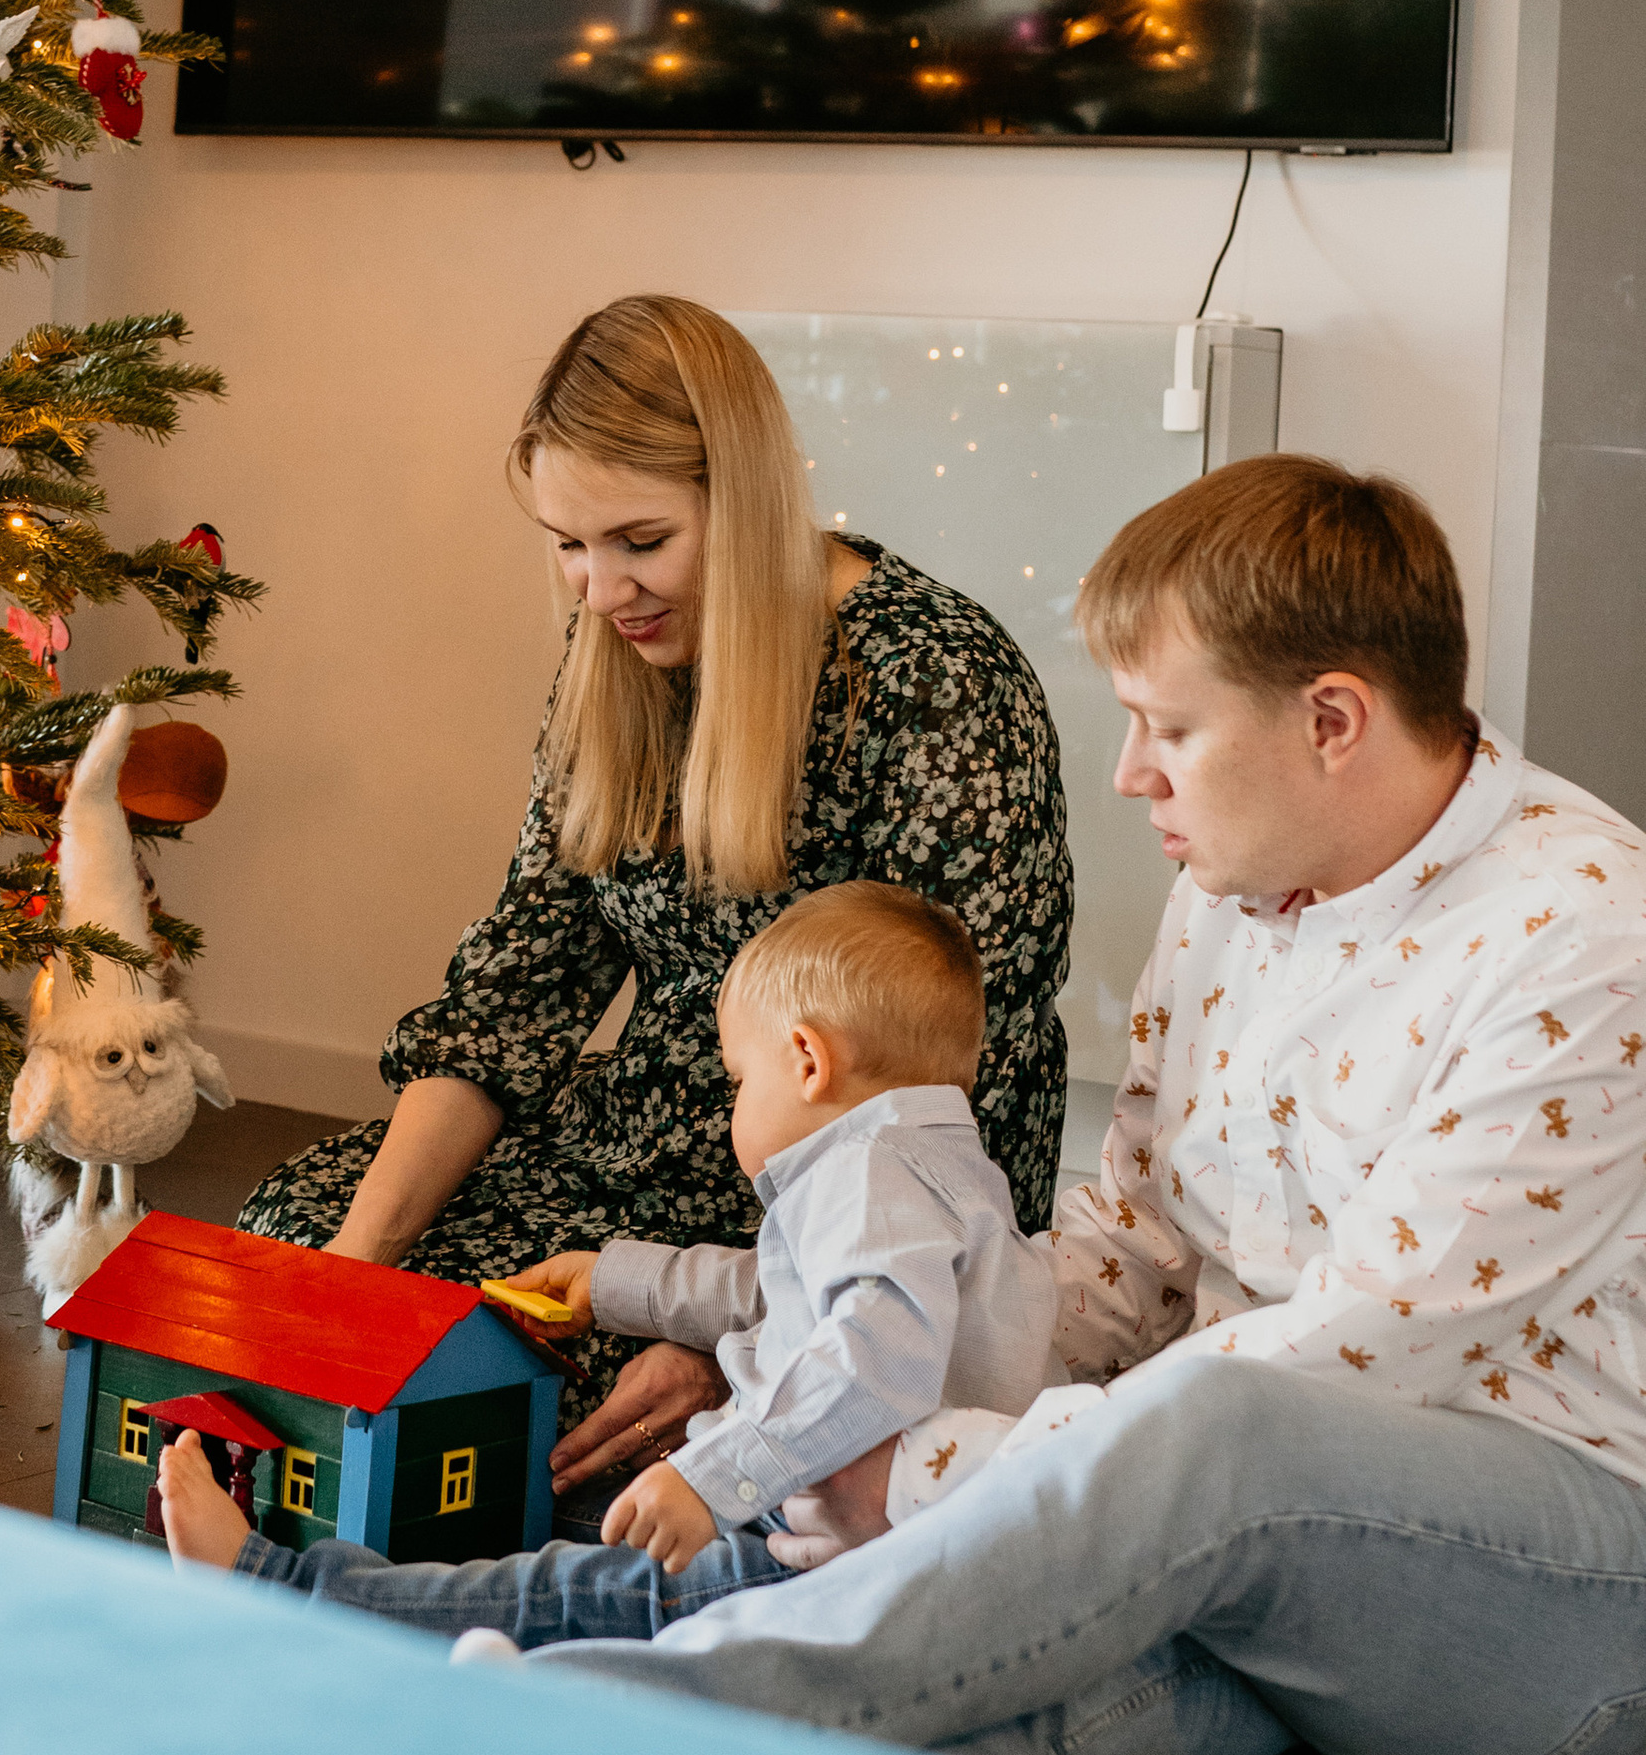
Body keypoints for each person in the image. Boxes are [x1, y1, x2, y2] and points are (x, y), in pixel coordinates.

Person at [239, 455, 1646, 1755]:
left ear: (1330, 721)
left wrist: (925, 1467)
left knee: (1206, 1443)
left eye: (1170, 728)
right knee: (942, 1735)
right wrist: (855, 1382)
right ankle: (423, 1712)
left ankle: (594, 1717)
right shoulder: (1237, 880)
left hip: (1549, 1609)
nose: (1133, 776)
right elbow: (1134, 1238)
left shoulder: (1579, 935)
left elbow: (1355, 1364)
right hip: (1249, 1580)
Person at [240, 298, 1072, 1484]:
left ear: (743, 499)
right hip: (641, 1136)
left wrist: (742, 1329)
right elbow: (513, 994)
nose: (597, 589)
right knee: (289, 1232)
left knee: (504, 1348)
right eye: (567, 544)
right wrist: (355, 1256)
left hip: (865, 1202)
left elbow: (960, 1084)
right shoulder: (616, 660)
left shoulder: (937, 684)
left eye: (638, 541)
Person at [161, 881, 1060, 1631]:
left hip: (834, 1560)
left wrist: (712, 1481)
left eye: (740, 1082)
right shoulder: (941, 1166)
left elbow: (876, 1357)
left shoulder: (864, 1175)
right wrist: (614, 1279)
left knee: (563, 1593)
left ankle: (281, 1593)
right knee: (559, 1532)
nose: (735, 1104)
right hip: (877, 1530)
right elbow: (774, 1293)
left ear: (807, 1062)